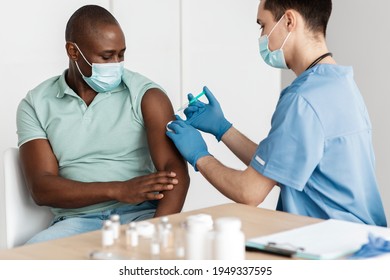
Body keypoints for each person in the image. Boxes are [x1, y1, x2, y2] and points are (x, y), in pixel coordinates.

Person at [167, 0, 387, 226]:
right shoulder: (340, 83)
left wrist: (199, 155)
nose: (262, 36)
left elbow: (249, 191)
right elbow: (279, 165)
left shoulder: (302, 100)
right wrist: (223, 129)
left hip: (336, 246)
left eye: (262, 25)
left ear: (289, 21)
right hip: (365, 238)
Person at [16, 5, 190, 244]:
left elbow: (175, 174)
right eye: (107, 57)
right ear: (73, 51)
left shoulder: (147, 97)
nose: (116, 64)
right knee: (26, 261)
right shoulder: (35, 104)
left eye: (121, 54)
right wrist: (118, 189)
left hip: (141, 217)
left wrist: (156, 233)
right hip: (74, 223)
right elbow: (42, 188)